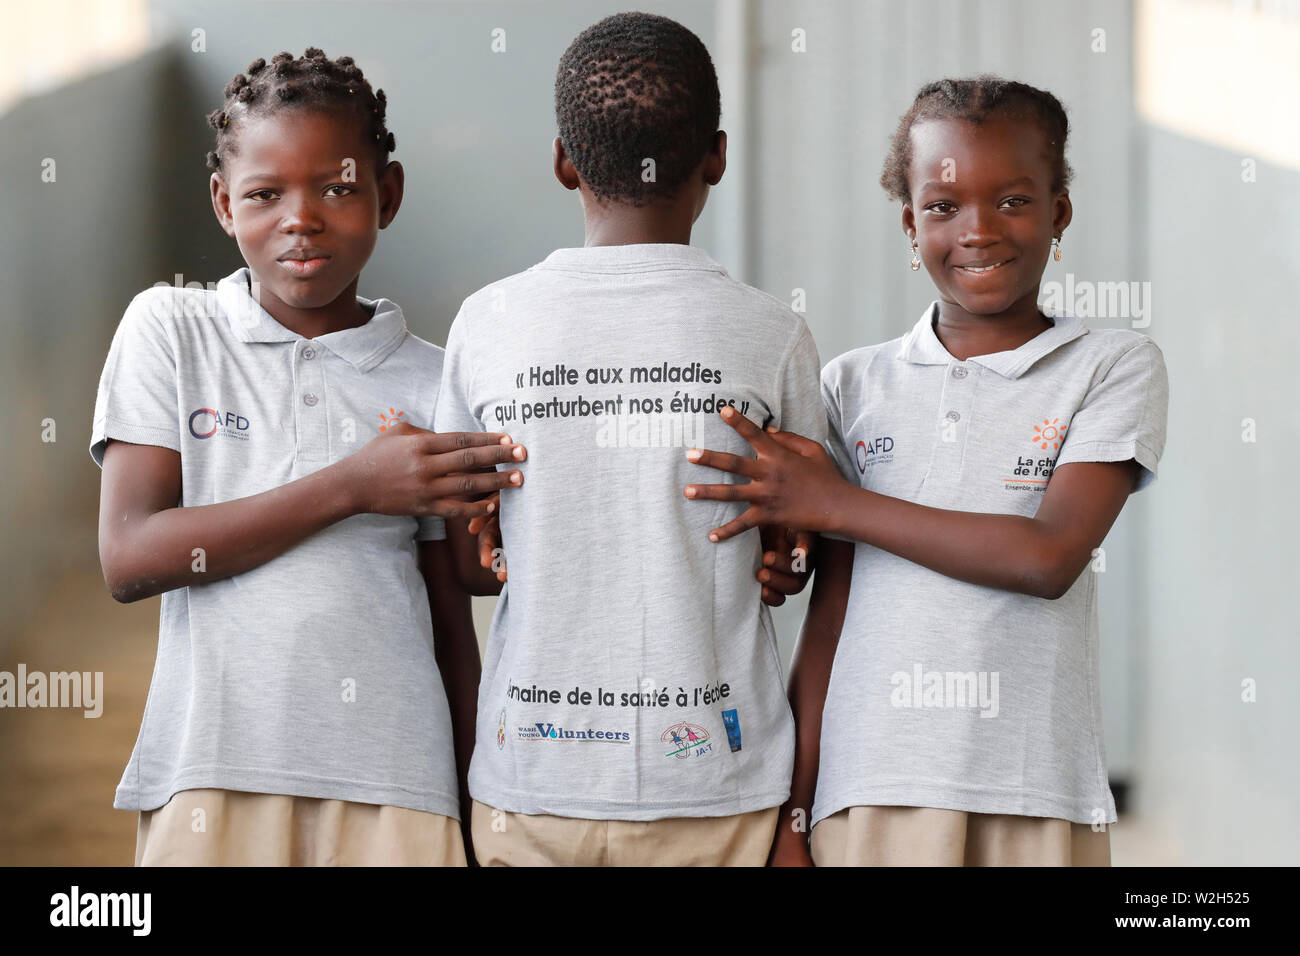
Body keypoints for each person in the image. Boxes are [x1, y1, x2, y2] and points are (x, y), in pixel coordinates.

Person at [685, 77, 1170, 866]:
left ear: (1059, 213)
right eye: (943, 208)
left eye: (1012, 200)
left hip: (1035, 792)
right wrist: (795, 811)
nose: (977, 231)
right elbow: (831, 609)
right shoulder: (851, 385)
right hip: (869, 794)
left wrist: (837, 504)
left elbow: (1047, 557)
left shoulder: (1111, 366)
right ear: (911, 227)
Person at [90, 48, 523, 865]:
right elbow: (130, 556)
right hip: (212, 776)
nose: (302, 218)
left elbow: (447, 617)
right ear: (223, 203)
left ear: (385, 195)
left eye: (337, 187)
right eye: (264, 194)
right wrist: (354, 485)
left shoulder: (437, 378)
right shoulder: (172, 332)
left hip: (400, 786)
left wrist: (474, 795)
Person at [434, 12, 827, 866]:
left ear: (563, 161)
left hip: (531, 775)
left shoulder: (487, 325)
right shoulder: (773, 335)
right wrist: (774, 558)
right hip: (719, 785)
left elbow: (467, 562)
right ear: (715, 158)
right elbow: (800, 554)